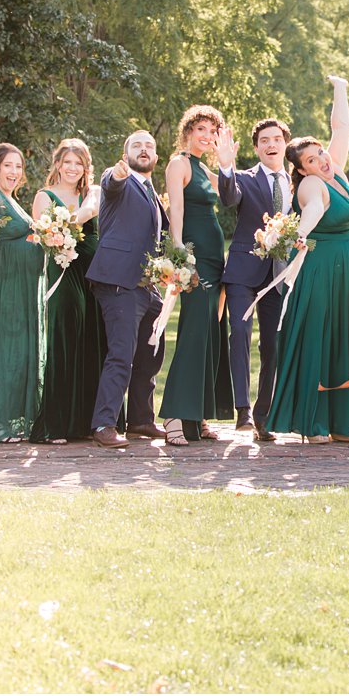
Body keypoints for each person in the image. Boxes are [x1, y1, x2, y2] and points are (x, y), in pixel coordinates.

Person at [266, 76, 349, 442]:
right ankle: (312, 422)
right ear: (301, 169)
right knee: (320, 339)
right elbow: (313, 209)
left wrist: (341, 88)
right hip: (322, 273)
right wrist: (300, 233)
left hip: (348, 271)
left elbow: (341, 127)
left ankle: (340, 422)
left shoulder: (337, 173)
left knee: (343, 338)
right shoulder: (310, 186)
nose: (322, 160)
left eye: (321, 153)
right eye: (312, 160)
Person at [87, 131, 170, 448]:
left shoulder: (152, 192)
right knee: (121, 353)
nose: (144, 149)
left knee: (151, 354)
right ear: (126, 155)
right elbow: (111, 182)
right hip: (119, 282)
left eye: (149, 146)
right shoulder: (118, 180)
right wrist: (117, 174)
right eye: (137, 146)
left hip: (148, 287)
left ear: (156, 157)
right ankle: (104, 424)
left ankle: (139, 420)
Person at [217, 116, 294, 442]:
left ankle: (264, 417)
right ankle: (242, 410)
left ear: (285, 143)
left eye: (276, 139)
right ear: (257, 147)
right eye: (264, 140)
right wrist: (225, 166)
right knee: (240, 334)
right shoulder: (244, 179)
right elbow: (229, 197)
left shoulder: (297, 182)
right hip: (242, 273)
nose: (271, 144)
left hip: (279, 276)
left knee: (273, 346)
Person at [29, 139, 111, 444]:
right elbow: (46, 235)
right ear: (58, 164)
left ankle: (89, 421)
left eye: (79, 163)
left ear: (86, 167)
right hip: (64, 274)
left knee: (94, 341)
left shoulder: (93, 193)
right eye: (68, 162)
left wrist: (90, 209)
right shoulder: (44, 196)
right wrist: (84, 214)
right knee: (65, 340)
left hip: (95, 276)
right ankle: (55, 425)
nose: (73, 168)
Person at [160, 106, 232, 447]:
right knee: (193, 333)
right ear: (188, 130)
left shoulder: (205, 166)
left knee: (210, 334)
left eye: (212, 131)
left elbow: (235, 193)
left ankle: (198, 415)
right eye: (201, 129)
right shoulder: (180, 163)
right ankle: (174, 413)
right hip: (195, 257)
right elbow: (176, 208)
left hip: (217, 259)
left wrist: (225, 155)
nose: (206, 136)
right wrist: (179, 253)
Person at [0, 143, 46, 444]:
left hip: (20, 288)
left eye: (18, 167)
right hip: (2, 288)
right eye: (8, 166)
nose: (14, 172)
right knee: (3, 353)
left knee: (18, 353)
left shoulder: (9, 198)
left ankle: (13, 420)